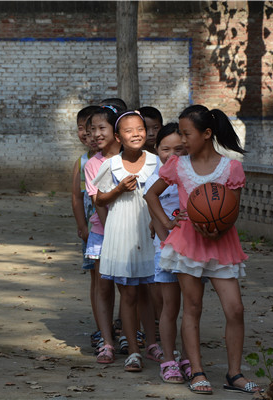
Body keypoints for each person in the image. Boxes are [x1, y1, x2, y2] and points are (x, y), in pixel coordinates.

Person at [144, 105, 262, 395]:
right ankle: (197, 372)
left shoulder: (231, 168)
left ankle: (234, 374)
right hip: (188, 244)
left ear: (207, 134)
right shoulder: (178, 165)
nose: (182, 140)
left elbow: (231, 210)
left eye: (187, 134)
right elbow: (151, 195)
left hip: (222, 243)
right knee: (192, 307)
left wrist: (218, 228)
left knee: (235, 309)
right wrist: (169, 224)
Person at [93, 110, 159, 372]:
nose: (136, 134)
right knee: (129, 294)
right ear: (118, 137)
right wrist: (119, 189)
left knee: (148, 293)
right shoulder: (111, 165)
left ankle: (152, 344)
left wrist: (160, 221)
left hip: (148, 231)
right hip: (120, 232)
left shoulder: (156, 162)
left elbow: (166, 196)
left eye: (140, 129)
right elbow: (99, 199)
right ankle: (133, 351)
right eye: (129, 131)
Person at [144, 122, 190, 384]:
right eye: (165, 149)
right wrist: (167, 233)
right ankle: (169, 359)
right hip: (166, 251)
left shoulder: (191, 175)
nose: (172, 155)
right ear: (156, 149)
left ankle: (189, 358)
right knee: (169, 308)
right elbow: (154, 215)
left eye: (179, 149)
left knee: (192, 307)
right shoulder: (155, 179)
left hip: (192, 252)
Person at [82, 105, 121, 363]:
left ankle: (130, 336)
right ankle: (107, 341)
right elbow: (98, 202)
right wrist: (111, 233)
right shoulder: (92, 164)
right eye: (92, 129)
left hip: (132, 234)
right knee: (104, 287)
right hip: (103, 232)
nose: (96, 134)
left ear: (116, 130)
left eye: (101, 128)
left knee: (131, 289)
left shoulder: (132, 158)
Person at [71, 105, 101, 346]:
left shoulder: (117, 160)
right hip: (93, 231)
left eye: (92, 128)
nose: (88, 134)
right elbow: (77, 197)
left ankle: (124, 326)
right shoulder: (82, 162)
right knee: (97, 279)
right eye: (82, 128)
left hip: (115, 227)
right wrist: (82, 225)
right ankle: (102, 327)